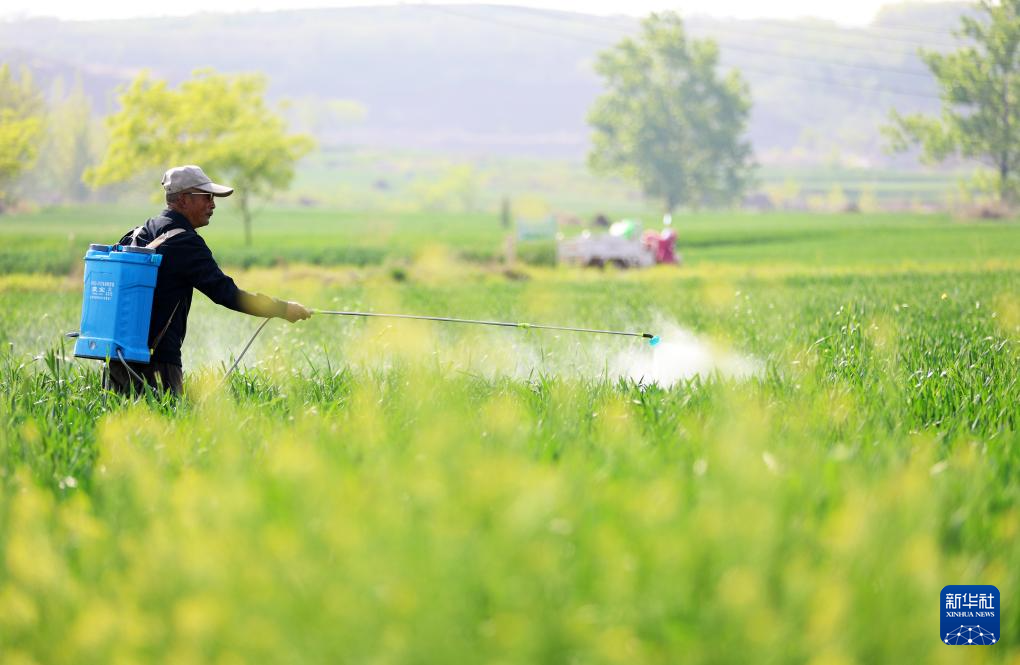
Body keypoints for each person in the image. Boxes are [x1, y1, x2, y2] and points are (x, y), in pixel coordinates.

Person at [105, 165, 312, 396]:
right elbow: (227, 294)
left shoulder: (141, 232)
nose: (212, 204)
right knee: (168, 430)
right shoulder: (185, 242)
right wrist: (282, 309)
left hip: (116, 359)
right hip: (157, 364)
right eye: (207, 197)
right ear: (184, 200)